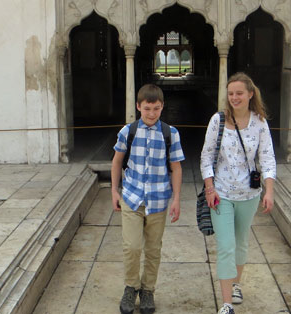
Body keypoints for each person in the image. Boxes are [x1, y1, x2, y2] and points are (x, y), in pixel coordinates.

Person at [200, 72, 276, 314]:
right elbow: (206, 156)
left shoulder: (260, 123)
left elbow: (267, 157)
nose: (234, 97)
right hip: (221, 194)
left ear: (250, 94)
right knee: (226, 245)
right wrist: (209, 187)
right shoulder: (218, 121)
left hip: (249, 194)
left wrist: (269, 190)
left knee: (241, 243)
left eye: (239, 93)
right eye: (231, 93)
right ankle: (226, 304)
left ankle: (235, 284)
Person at [111, 84, 185, 314]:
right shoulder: (128, 132)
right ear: (138, 107)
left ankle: (148, 290)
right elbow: (116, 161)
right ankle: (131, 287)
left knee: (153, 249)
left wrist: (177, 198)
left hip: (158, 200)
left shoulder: (170, 133)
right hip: (132, 198)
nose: (151, 113)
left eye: (156, 108)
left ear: (162, 107)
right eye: (147, 108)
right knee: (131, 247)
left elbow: (176, 167)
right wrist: (114, 190)